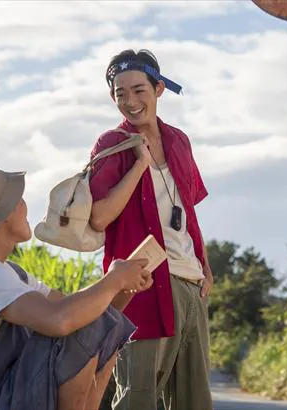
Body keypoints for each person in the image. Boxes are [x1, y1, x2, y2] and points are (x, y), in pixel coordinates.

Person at [0, 159, 153, 410]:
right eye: (19, 200)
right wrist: (113, 279)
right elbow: (60, 320)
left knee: (88, 320)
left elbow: (77, 310)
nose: (26, 206)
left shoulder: (0, 271)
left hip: (5, 393)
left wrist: (123, 287)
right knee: (74, 327)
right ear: (3, 214)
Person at [88, 49, 214, 410]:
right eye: (120, 93)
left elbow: (187, 212)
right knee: (138, 398)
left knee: (195, 400)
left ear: (159, 89)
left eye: (139, 90)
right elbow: (99, 218)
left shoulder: (179, 141)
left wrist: (205, 265)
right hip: (140, 286)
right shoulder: (112, 144)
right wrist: (139, 164)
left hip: (190, 284)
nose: (130, 101)